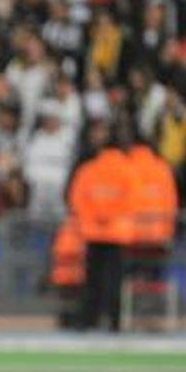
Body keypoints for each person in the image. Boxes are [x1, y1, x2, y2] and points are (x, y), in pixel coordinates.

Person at [67, 127, 139, 331]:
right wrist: (111, 216)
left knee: (92, 280)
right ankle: (114, 323)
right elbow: (133, 201)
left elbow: (77, 199)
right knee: (115, 281)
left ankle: (88, 320)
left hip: (93, 232)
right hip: (117, 232)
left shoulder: (89, 170)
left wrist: (96, 216)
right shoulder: (128, 170)